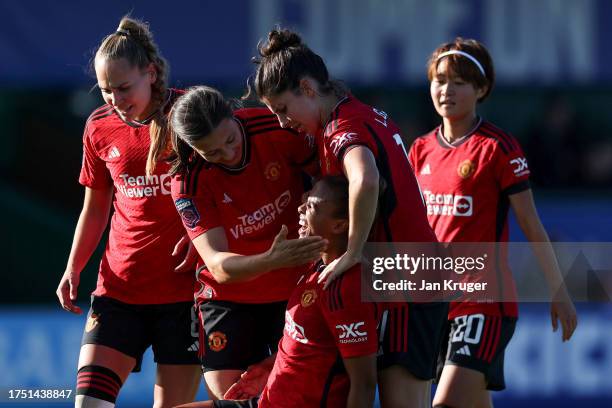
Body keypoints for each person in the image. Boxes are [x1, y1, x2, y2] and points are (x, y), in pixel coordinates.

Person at [249, 28, 447, 408]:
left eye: (283, 110)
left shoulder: (343, 127)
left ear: (307, 88)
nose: (281, 122)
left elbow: (366, 177)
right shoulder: (358, 112)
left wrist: (354, 250)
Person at [408, 37, 578, 408]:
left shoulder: (496, 148)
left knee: (444, 404)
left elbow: (531, 224)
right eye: (439, 80)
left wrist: (559, 290)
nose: (446, 90)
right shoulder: (420, 149)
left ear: (481, 89)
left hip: (483, 302)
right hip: (435, 305)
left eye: (459, 82)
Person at [55, 16, 201, 408]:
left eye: (123, 88)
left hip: (184, 296)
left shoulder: (190, 115)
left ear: (150, 74)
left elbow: (226, 189)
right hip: (118, 292)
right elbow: (96, 205)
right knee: (89, 404)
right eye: (105, 91)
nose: (115, 101)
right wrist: (74, 267)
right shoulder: (99, 126)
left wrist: (201, 239)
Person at [167, 86, 327, 400]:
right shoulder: (187, 180)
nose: (228, 154)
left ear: (233, 114)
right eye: (211, 153)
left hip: (296, 287)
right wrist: (271, 259)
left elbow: (328, 176)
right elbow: (217, 264)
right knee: (231, 396)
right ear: (191, 147)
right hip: (229, 298)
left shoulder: (275, 128)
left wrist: (317, 196)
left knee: (300, 392)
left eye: (230, 140)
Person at [177, 176, 379, 408]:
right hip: (267, 401)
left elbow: (364, 383)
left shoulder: (345, 287)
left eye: (312, 206)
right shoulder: (314, 265)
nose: (301, 208)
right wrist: (269, 367)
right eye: (305, 199)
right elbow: (313, 343)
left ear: (339, 225)